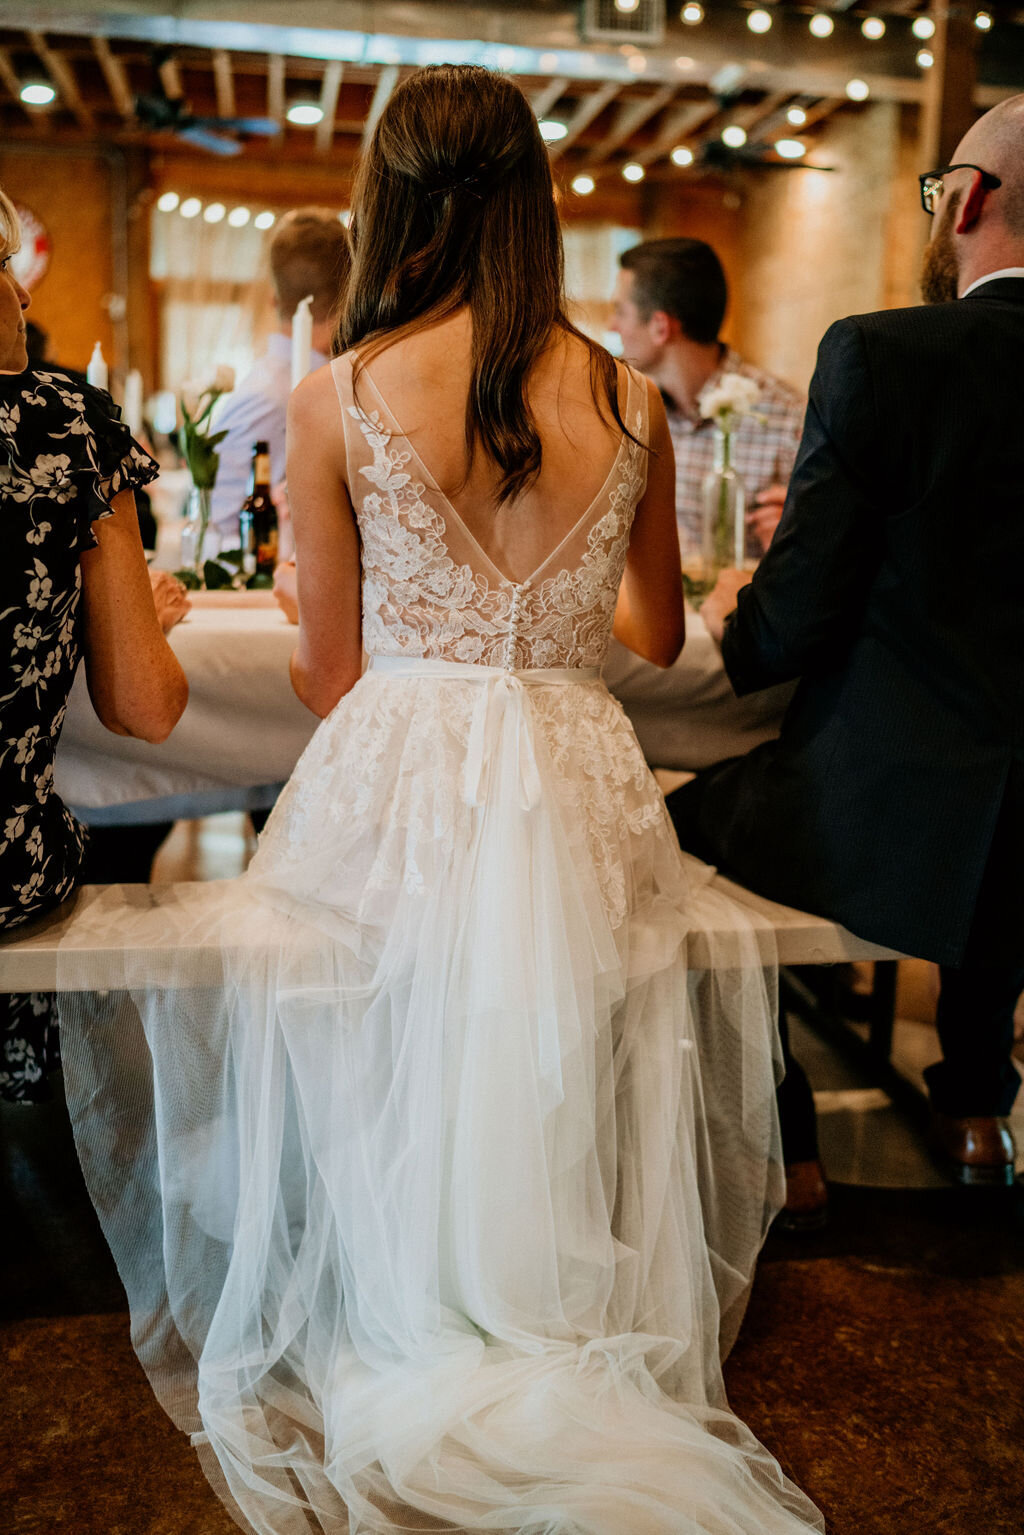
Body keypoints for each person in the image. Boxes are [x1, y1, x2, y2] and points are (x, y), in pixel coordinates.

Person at [57, 67, 823, 1534]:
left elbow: (330, 671)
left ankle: (422, 1290)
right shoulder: (625, 387)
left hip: (404, 764)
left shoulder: (341, 393)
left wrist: (317, 593)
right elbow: (659, 636)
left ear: (388, 199)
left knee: (384, 1019)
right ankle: (545, 1296)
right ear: (536, 198)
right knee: (543, 1034)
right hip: (574, 768)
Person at [667, 94, 1024, 1213]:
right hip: (1003, 836)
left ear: (964, 201)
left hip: (885, 818)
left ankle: (785, 1127)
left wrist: (740, 592)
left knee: (668, 825)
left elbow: (785, 634)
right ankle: (975, 1103)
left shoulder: (882, 355)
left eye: (936, 195)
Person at [0, 188, 189, 1102]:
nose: (25, 298)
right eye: (6, 270)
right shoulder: (66, 422)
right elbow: (145, 707)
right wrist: (127, 614)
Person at [611, 237, 805, 561]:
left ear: (660, 326)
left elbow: (819, 557)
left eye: (620, 311)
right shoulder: (625, 411)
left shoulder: (790, 418)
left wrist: (797, 540)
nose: (611, 325)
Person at [208, 207, 352, 542]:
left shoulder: (335, 382)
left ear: (274, 299)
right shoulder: (268, 397)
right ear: (351, 295)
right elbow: (223, 529)